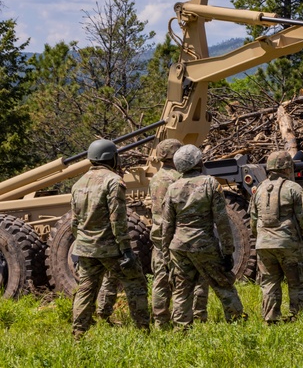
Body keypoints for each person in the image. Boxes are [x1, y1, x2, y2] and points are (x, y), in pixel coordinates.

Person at [70, 138, 150, 339]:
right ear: (111, 158)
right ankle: (143, 330)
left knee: (85, 290)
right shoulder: (113, 181)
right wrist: (126, 250)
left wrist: (80, 244)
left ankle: (78, 334)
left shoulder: (77, 184)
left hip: (85, 248)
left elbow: (74, 222)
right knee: (136, 282)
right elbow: (118, 219)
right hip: (110, 248)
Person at [162, 144, 245, 327]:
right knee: (223, 285)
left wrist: (166, 252)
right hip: (203, 243)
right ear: (196, 162)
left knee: (181, 291)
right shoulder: (210, 183)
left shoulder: (173, 187)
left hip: (178, 246)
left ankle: (181, 330)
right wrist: (228, 251)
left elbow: (167, 225)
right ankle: (237, 324)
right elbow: (222, 221)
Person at [148, 138, 209, 329]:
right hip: (179, 236)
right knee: (195, 278)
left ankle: (160, 321)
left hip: (158, 237)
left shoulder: (155, 179)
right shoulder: (179, 179)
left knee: (160, 280)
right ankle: (196, 316)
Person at [250, 151, 303, 324]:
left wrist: (260, 239)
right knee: (298, 281)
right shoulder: (294, 189)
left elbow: (253, 221)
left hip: (263, 244)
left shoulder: (259, 189)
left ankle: (270, 319)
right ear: (288, 168)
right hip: (288, 242)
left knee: (269, 283)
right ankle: (298, 317)